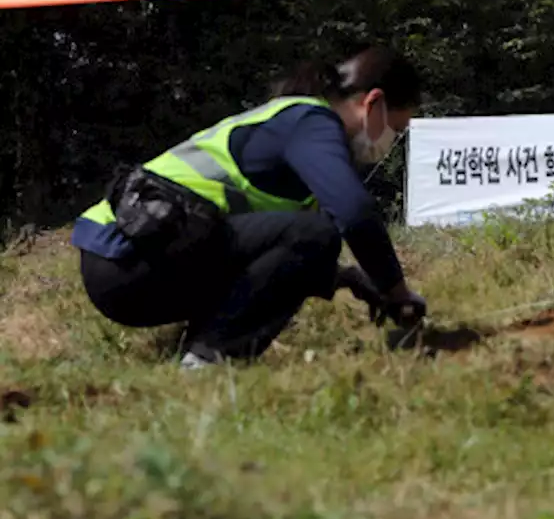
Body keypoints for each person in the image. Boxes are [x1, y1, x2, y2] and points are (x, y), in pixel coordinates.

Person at [71, 45, 428, 368]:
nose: (390, 142)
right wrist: (397, 292)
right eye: (396, 129)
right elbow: (353, 213)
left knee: (310, 238)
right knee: (316, 234)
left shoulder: (293, 130)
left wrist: (346, 277)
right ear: (374, 103)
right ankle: (209, 360)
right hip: (129, 256)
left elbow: (265, 252)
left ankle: (196, 349)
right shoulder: (311, 121)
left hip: (124, 260)